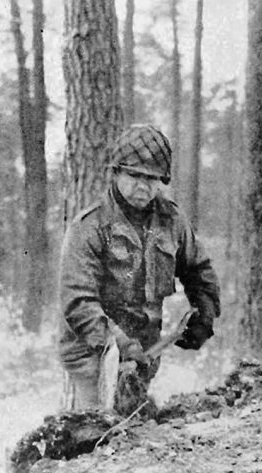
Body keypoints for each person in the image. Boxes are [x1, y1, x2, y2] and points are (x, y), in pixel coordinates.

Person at [58, 123, 221, 410]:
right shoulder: (90, 226)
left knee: (131, 432)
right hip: (93, 354)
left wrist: (204, 312)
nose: (142, 185)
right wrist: (117, 341)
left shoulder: (172, 222)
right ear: (117, 172)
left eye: (152, 178)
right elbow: (78, 300)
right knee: (92, 432)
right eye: (134, 174)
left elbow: (198, 270)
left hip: (144, 352)